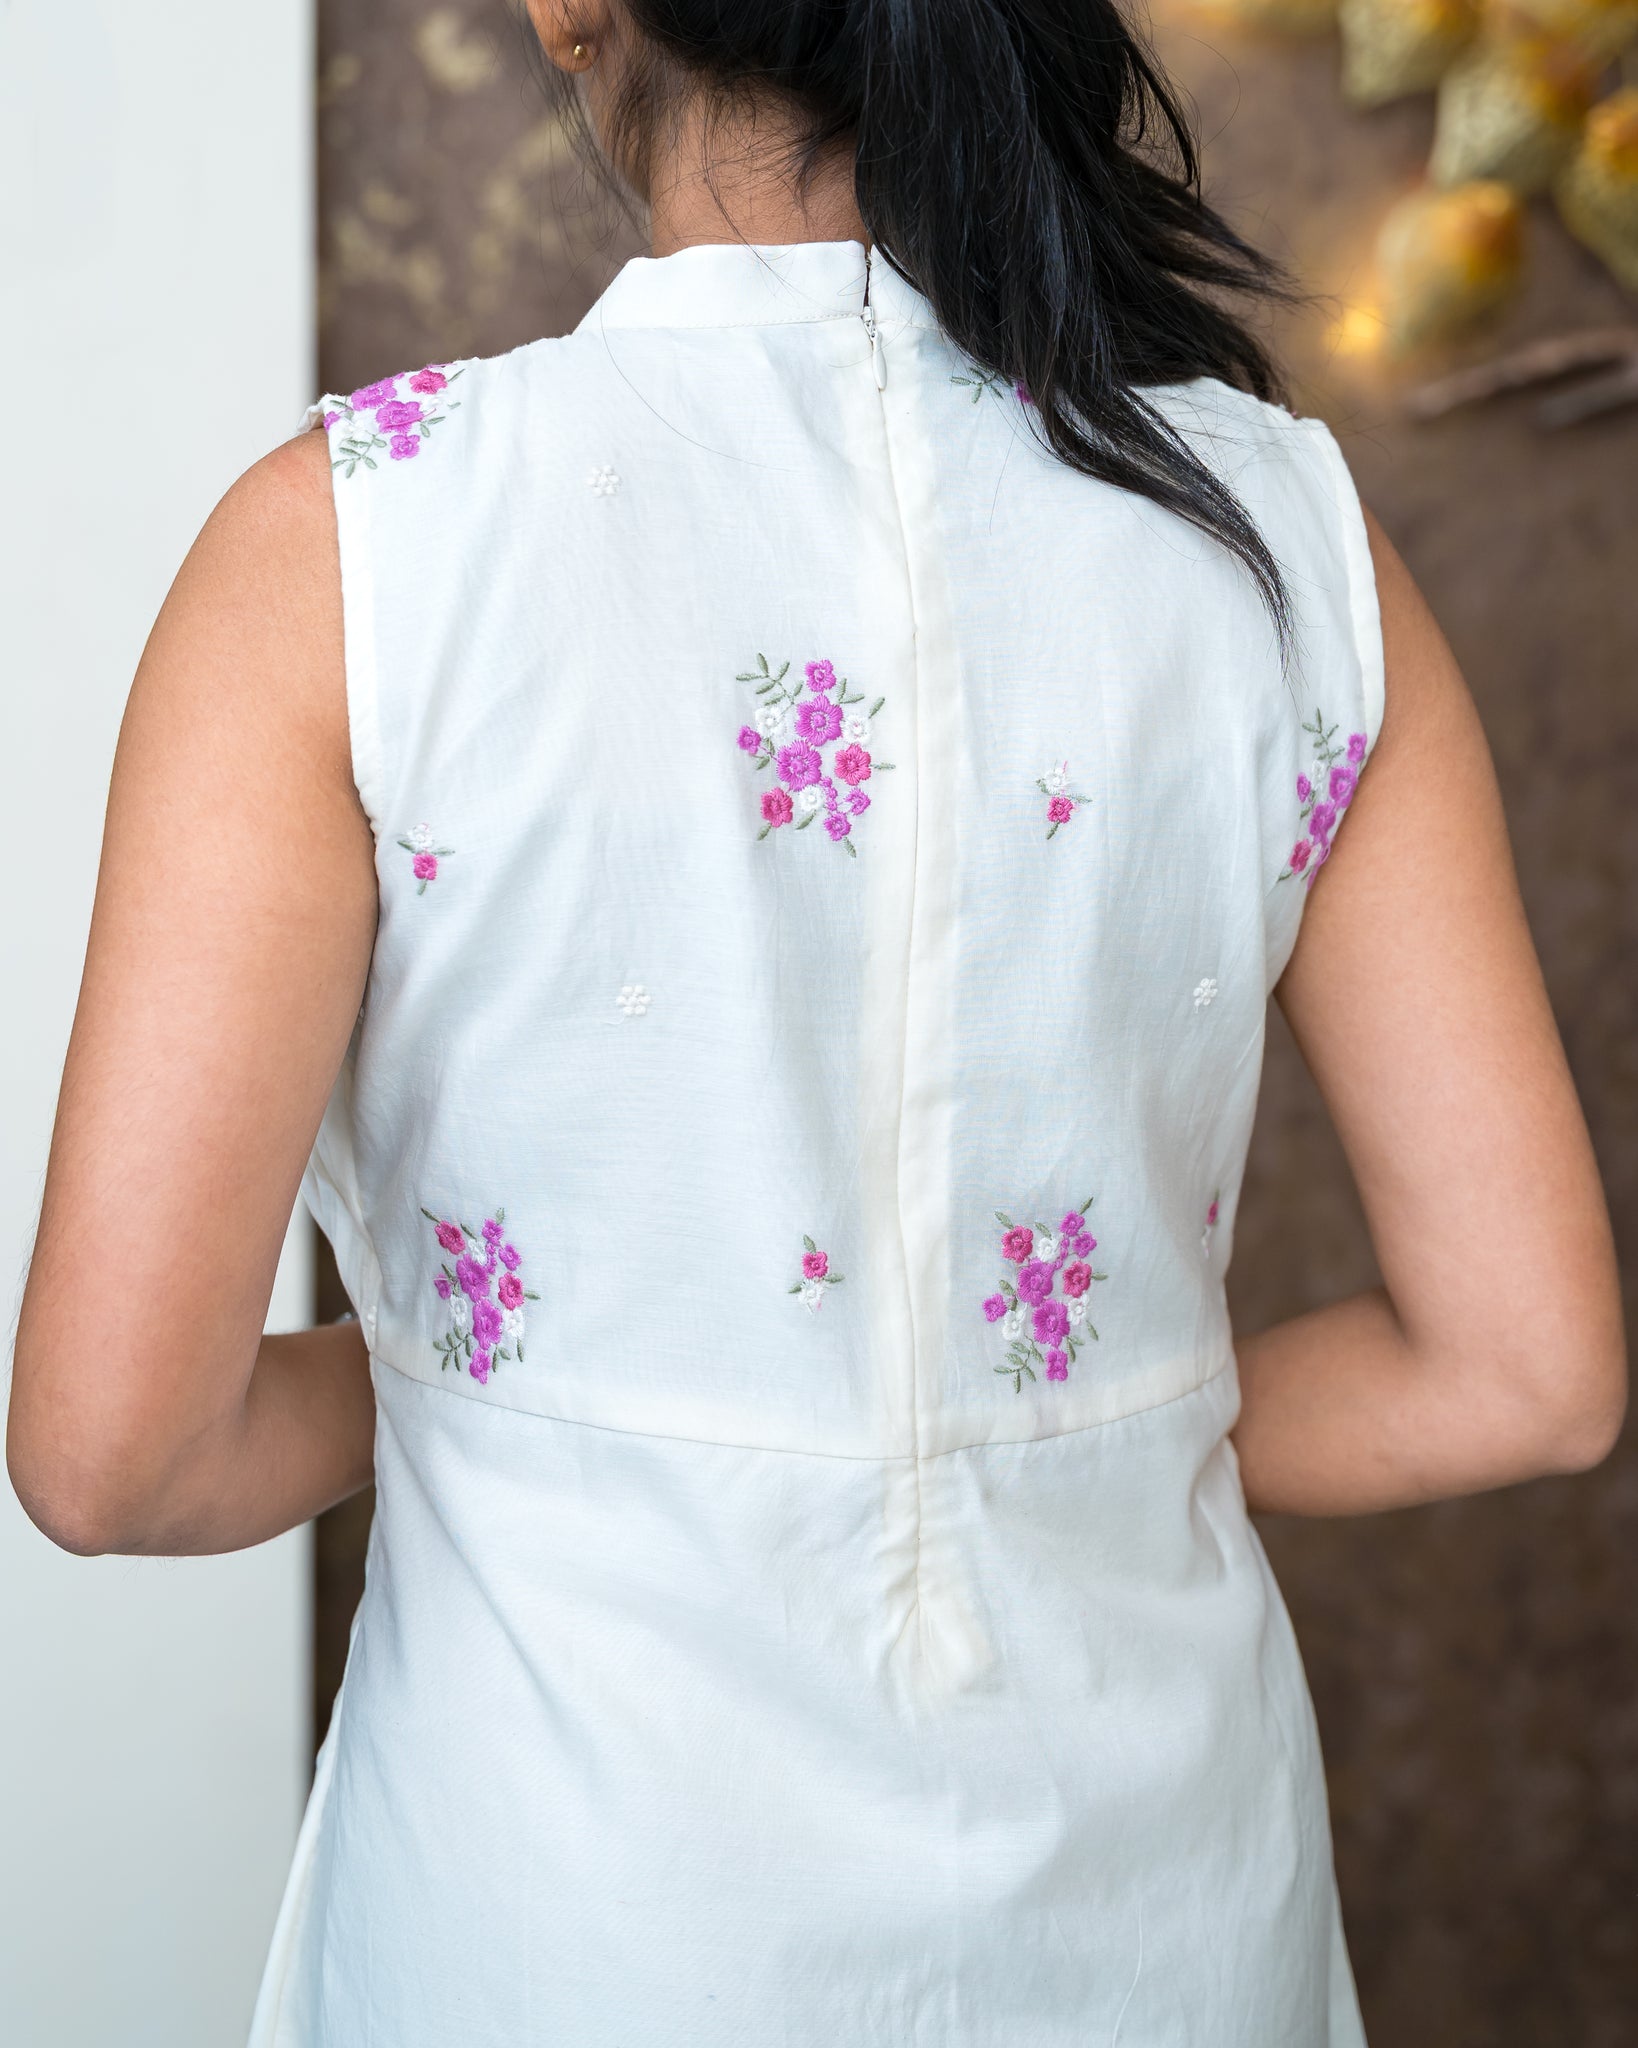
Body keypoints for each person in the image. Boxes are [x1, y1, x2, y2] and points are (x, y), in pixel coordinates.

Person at [9, 1, 1625, 2041]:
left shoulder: (354, 544)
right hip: (1162, 1932)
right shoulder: (1292, 537)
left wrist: (495, 1382)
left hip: (571, 1928)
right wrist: (1051, 1421)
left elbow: (116, 1458)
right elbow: (1523, 1374)